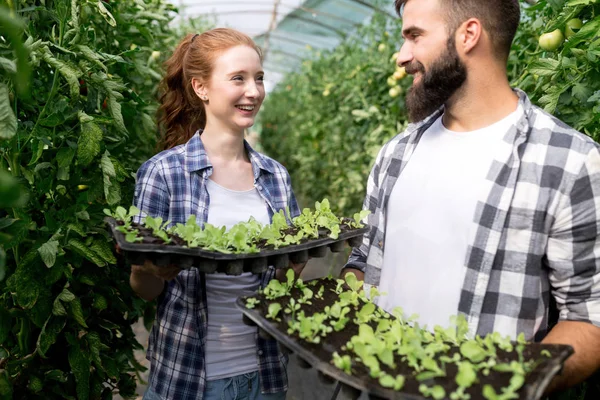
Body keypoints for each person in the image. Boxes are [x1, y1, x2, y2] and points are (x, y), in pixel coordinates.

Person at [342, 0, 600, 393]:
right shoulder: (395, 154)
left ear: (469, 35)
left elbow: (589, 316)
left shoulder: (569, 162)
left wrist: (507, 386)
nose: (402, 56)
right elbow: (362, 261)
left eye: (414, 35)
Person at [130, 28, 300, 400]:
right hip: (189, 379)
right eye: (237, 78)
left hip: (265, 374)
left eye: (259, 78)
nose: (253, 91)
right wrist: (148, 269)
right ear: (201, 87)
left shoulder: (276, 178)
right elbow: (144, 289)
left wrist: (293, 265)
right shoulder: (164, 174)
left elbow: (284, 282)